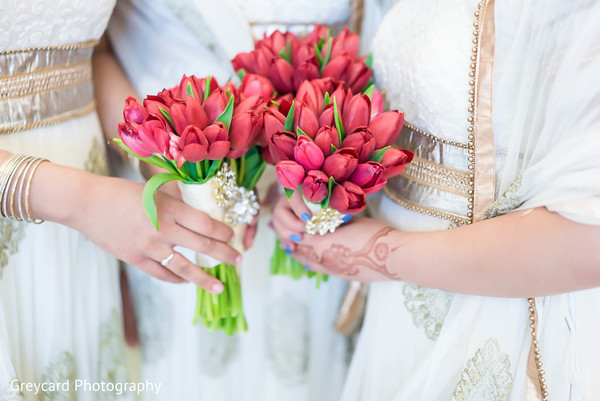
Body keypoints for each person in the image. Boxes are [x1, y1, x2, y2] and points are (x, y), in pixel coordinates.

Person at [272, 0, 600, 400]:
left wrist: (381, 253)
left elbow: (590, 240)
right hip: (394, 305)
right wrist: (319, 188)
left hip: (500, 307)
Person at [101, 0, 392, 399]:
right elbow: (93, 49)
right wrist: (156, 164)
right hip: (172, 196)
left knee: (304, 365)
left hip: (319, 190)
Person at [0, 1, 241, 400]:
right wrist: (85, 202)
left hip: (91, 228)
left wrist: (156, 163)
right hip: (54, 205)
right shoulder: (88, 204)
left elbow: (86, 54)